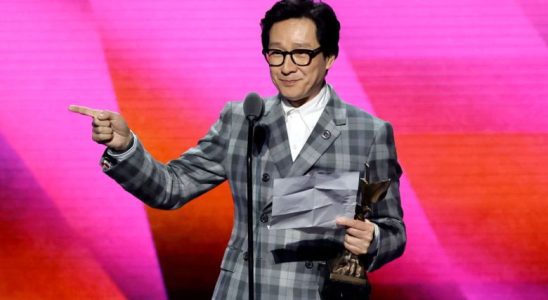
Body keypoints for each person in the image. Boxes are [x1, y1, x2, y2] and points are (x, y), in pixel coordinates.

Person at [69, 0, 405, 298]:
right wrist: (126, 147)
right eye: (276, 53)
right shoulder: (242, 118)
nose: (287, 67)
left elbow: (394, 230)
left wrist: (374, 238)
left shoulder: (369, 132)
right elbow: (171, 187)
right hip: (242, 289)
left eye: (301, 54)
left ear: (329, 56)